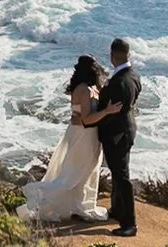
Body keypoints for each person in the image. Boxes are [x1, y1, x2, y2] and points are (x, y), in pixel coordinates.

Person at [16, 55, 110, 222]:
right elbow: (86, 119)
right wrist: (107, 112)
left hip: (84, 133)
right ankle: (38, 192)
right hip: (83, 134)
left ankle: (79, 205)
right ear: (93, 70)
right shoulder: (85, 90)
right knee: (74, 174)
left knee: (84, 171)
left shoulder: (87, 88)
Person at [84, 37, 140, 236]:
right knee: (118, 173)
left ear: (112, 56)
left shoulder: (119, 82)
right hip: (127, 129)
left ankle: (130, 224)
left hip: (117, 134)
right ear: (128, 54)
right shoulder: (133, 75)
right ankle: (117, 210)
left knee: (122, 176)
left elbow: (104, 108)